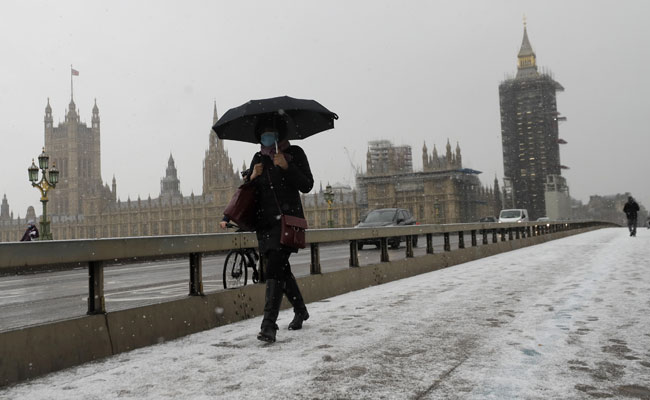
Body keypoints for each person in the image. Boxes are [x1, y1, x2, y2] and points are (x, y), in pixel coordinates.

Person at [220, 114, 314, 343]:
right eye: (262, 134)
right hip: (265, 225)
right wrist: (252, 176)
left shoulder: (295, 153)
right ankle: (300, 310)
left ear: (279, 134)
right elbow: (247, 192)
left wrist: (287, 166)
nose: (266, 137)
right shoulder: (258, 158)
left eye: (270, 133)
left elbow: (307, 185)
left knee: (273, 269)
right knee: (281, 270)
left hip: (287, 222)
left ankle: (269, 325)